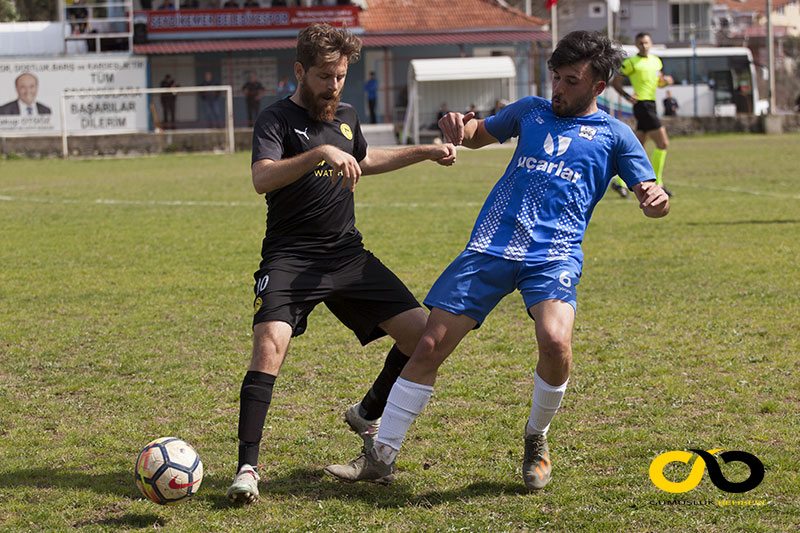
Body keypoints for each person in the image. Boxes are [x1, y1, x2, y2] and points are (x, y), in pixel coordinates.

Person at [324, 30, 670, 490]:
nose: (558, 89)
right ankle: (380, 457)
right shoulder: (530, 111)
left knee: (555, 342)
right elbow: (475, 135)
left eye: (571, 81)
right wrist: (456, 126)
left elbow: (651, 191)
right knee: (428, 346)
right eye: (556, 77)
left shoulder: (616, 135)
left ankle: (537, 438)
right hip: (491, 246)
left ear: (598, 87)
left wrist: (654, 197)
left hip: (554, 255)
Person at [226, 22, 457, 505]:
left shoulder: (347, 114)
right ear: (299, 70)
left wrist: (424, 152)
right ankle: (248, 466)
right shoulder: (275, 119)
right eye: (325, 76)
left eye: (340, 76)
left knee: (423, 336)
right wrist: (318, 153)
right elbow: (262, 178)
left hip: (346, 254)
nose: (333, 86)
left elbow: (364, 161)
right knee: (270, 345)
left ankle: (367, 411)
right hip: (291, 256)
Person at [612, 32, 674, 197]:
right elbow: (615, 82)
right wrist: (626, 96)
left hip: (651, 104)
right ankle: (658, 183)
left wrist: (666, 82)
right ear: (636, 45)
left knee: (637, 147)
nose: (644, 46)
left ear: (651, 43)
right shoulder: (631, 63)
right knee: (663, 143)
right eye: (640, 43)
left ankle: (619, 182)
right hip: (642, 105)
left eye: (646, 42)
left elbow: (659, 82)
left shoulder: (656, 61)